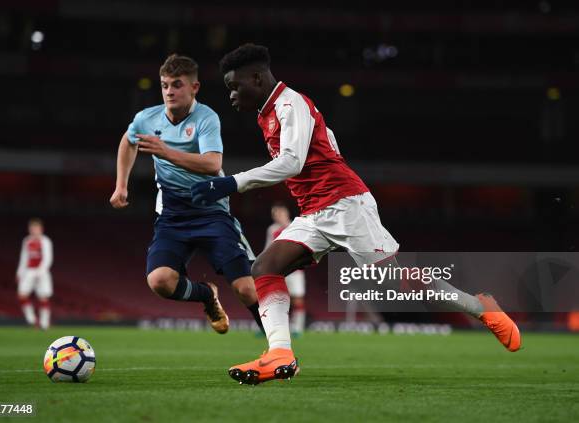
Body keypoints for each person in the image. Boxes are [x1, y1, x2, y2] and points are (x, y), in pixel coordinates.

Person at [191, 43, 521, 385]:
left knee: (396, 281)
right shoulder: (270, 113)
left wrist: (231, 183)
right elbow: (325, 144)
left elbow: (291, 162)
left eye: (234, 86)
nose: (231, 95)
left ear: (257, 78)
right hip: (315, 212)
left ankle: (482, 308)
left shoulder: (292, 103)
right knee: (264, 267)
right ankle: (280, 353)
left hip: (346, 204)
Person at [110, 54, 263, 334]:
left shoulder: (206, 118)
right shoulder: (147, 119)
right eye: (165, 85)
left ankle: (279, 349)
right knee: (160, 281)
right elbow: (128, 140)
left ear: (194, 88)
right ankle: (206, 295)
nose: (169, 91)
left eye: (177, 85)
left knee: (247, 289)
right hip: (173, 215)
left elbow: (212, 164)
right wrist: (121, 185)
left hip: (211, 212)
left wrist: (165, 152)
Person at [265, 203, 306, 336]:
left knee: (297, 299)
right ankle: (276, 328)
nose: (278, 216)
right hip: (279, 271)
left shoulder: (296, 226)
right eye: (275, 214)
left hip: (295, 271)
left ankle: (298, 328)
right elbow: (268, 249)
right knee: (278, 299)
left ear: (286, 213)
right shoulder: (272, 230)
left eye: (280, 213)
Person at [16, 218, 53, 330]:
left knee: (43, 297)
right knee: (22, 294)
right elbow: (24, 257)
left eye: (36, 228)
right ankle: (32, 319)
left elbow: (48, 258)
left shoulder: (46, 241)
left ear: (41, 229)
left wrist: (41, 271)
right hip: (29, 271)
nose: (34, 231)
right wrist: (19, 272)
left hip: (42, 272)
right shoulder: (27, 241)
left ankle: (44, 323)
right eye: (32, 228)